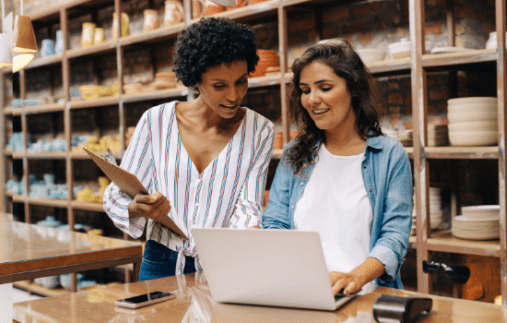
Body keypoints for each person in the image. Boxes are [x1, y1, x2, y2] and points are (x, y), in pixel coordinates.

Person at [104, 17, 274, 281]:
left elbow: (248, 206)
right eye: (219, 85)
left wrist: (254, 238)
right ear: (196, 80)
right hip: (160, 262)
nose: (233, 95)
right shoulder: (156, 121)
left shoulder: (260, 130)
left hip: (224, 266)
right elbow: (116, 195)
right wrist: (139, 208)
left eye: (241, 81)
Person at [262, 40, 412, 295]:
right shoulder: (294, 153)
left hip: (363, 295)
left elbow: (394, 236)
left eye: (325, 87)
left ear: (353, 88)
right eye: (305, 90)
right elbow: (275, 224)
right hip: (303, 294)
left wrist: (355, 277)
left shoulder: (388, 155)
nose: (312, 99)